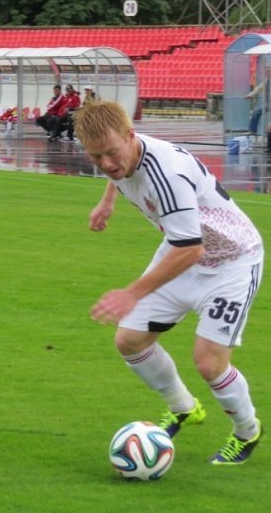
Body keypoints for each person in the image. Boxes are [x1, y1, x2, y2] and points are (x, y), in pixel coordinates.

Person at [75, 100, 264, 465]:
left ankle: (247, 430)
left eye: (111, 153)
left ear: (131, 136)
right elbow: (119, 171)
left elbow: (191, 249)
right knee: (130, 341)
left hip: (231, 261)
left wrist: (131, 294)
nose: (107, 164)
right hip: (182, 248)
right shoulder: (122, 152)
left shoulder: (167, 175)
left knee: (209, 363)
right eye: (96, 157)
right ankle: (183, 407)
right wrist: (107, 201)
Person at [246, 66, 271, 150]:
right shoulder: (266, 81)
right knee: (256, 111)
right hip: (268, 103)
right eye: (266, 72)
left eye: (268, 72)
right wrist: (251, 95)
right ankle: (252, 130)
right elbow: (258, 88)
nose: (267, 73)